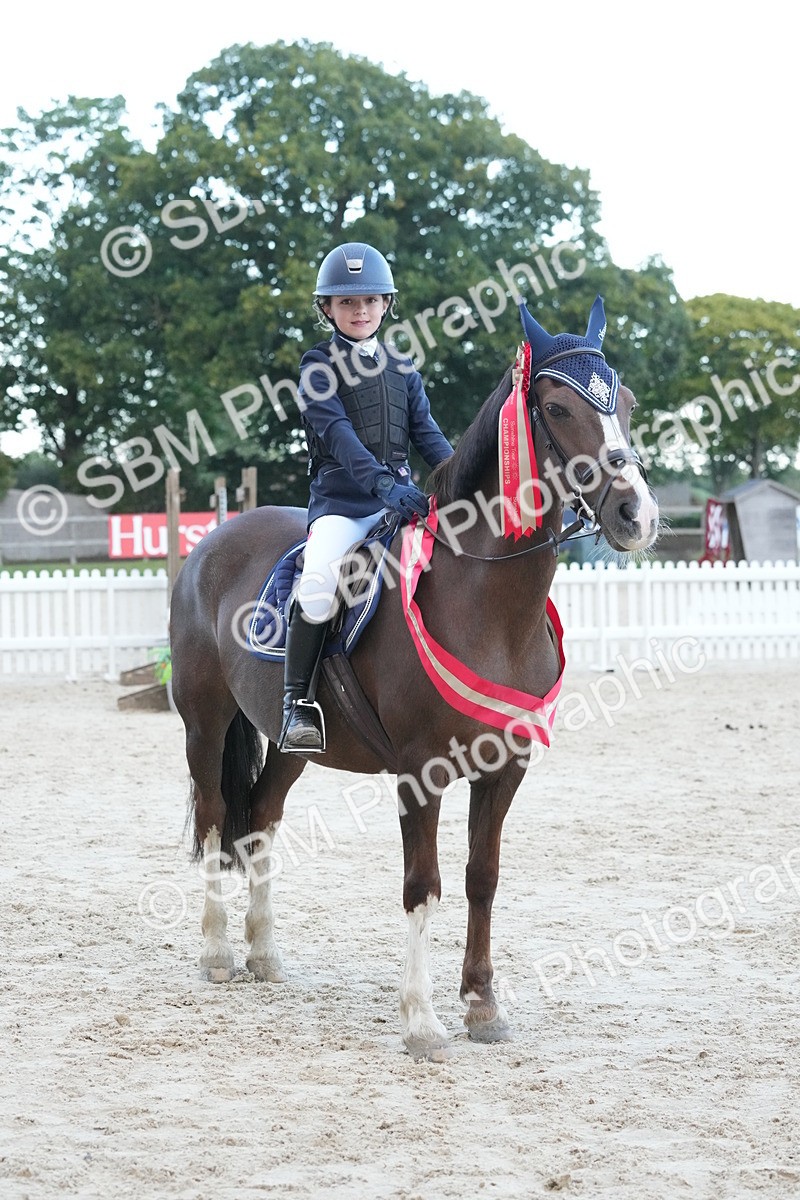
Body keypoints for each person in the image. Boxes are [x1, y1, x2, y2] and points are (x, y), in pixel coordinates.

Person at [279, 241, 454, 754]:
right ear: (327, 309)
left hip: (401, 501)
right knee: (317, 583)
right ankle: (296, 705)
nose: (361, 311)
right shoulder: (317, 367)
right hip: (343, 506)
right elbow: (338, 437)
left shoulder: (404, 369)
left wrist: (457, 481)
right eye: (348, 303)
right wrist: (384, 486)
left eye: (371, 301)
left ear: (386, 305)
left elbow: (431, 439)